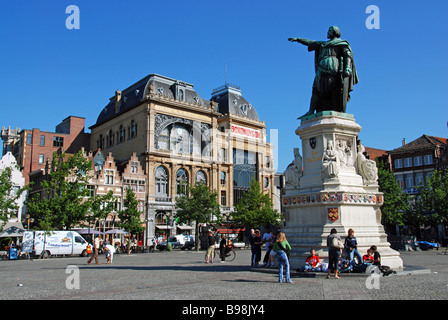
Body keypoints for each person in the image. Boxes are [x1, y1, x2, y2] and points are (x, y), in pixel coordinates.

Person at [288, 26, 358, 114]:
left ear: (336, 32)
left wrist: (347, 67)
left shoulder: (341, 43)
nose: (328, 32)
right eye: (328, 30)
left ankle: (335, 110)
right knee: (316, 89)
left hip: (334, 70)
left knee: (334, 89)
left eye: (330, 30)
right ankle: (311, 110)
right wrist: (298, 39)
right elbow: (310, 42)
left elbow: (347, 55)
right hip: (321, 70)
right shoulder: (323, 44)